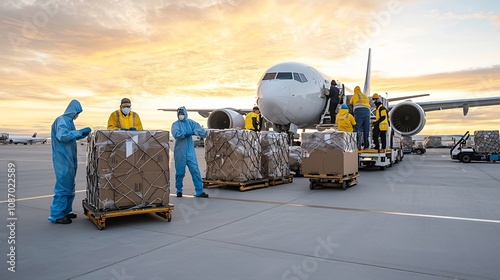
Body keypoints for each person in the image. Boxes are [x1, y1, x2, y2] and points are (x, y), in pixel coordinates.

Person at [48, 100, 91, 224]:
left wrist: (82, 134)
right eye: (77, 112)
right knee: (62, 186)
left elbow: (72, 135)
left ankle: (66, 211)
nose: (77, 115)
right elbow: (63, 135)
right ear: (72, 111)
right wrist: (80, 131)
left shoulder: (69, 122)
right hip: (62, 158)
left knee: (70, 185)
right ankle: (56, 215)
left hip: (69, 157)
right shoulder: (61, 120)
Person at [171, 106, 209, 198]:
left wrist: (196, 131)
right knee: (180, 171)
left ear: (186, 114)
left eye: (182, 114)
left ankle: (199, 191)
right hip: (180, 150)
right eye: (180, 114)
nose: (181, 116)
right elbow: (176, 134)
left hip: (190, 150)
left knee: (195, 170)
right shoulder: (175, 125)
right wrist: (188, 133)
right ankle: (179, 190)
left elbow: (203, 132)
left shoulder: (191, 123)